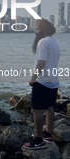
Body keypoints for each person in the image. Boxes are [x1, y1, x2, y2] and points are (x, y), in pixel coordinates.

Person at [23, 18, 60, 150]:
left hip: (43, 81)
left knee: (36, 110)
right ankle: (48, 135)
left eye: (37, 29)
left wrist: (33, 78)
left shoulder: (42, 42)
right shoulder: (54, 43)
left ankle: (39, 140)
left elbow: (41, 62)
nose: (35, 31)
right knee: (50, 108)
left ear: (42, 31)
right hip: (53, 81)